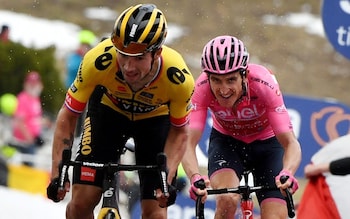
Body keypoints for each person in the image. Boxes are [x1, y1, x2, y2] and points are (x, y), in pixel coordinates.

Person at [46, 4, 194, 219]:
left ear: (157, 53)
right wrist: (57, 174)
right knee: (80, 204)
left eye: (139, 58)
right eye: (123, 55)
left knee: (156, 213)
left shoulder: (178, 79)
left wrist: (166, 176)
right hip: (108, 113)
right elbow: (68, 115)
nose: (128, 67)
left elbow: (180, 131)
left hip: (154, 122)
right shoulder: (97, 60)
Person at [181, 35, 302, 219]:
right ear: (208, 77)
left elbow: (290, 143)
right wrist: (194, 176)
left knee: (275, 216)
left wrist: (288, 172)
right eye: (216, 80)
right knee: (227, 199)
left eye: (230, 80)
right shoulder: (201, 87)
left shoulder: (263, 84)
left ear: (244, 74)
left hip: (268, 145)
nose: (223, 89)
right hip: (227, 143)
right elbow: (187, 141)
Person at [65, 30, 96, 138]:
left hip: (86, 91)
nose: (85, 48)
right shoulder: (75, 56)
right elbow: (72, 68)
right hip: (73, 90)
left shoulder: (90, 56)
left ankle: (79, 135)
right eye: (84, 45)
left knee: (83, 115)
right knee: (72, 114)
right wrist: (83, 59)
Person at [11, 71, 45, 166]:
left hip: (32, 141)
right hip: (24, 143)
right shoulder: (23, 98)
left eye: (35, 83)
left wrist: (45, 124)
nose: (33, 86)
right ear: (26, 84)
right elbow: (19, 122)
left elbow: (34, 119)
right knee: (28, 169)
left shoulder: (35, 99)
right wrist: (30, 139)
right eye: (31, 83)